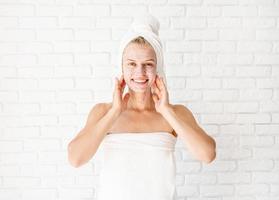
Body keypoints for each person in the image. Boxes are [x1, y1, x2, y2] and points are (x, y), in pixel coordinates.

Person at [68, 14, 216, 200]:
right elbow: (75, 158)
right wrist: (115, 111)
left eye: (148, 64)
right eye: (132, 64)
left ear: (158, 68)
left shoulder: (175, 113)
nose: (140, 72)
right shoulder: (103, 112)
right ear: (121, 67)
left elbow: (208, 154)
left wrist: (166, 111)